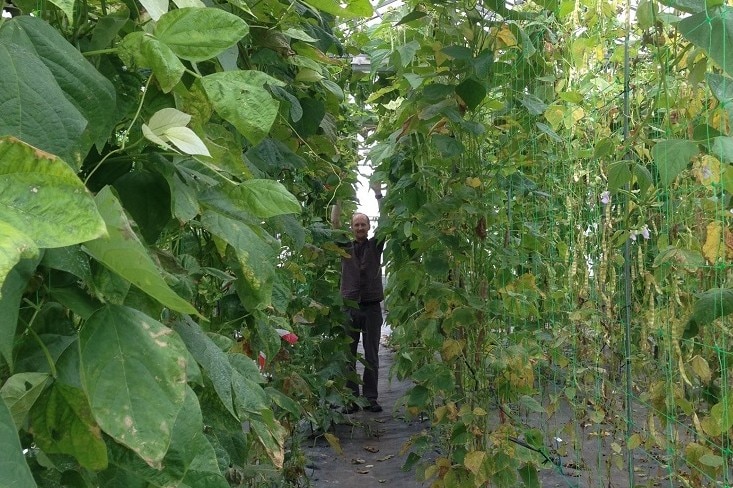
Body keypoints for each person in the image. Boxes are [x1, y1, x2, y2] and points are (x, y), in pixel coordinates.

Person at [331, 184, 385, 413]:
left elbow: (387, 222)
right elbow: (334, 225)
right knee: (348, 356)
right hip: (350, 307)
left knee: (372, 354)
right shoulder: (345, 246)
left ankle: (371, 398)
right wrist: (338, 196)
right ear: (351, 228)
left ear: (369, 227)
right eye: (356, 225)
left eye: (363, 224)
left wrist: (378, 194)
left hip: (372, 307)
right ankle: (352, 399)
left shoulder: (376, 245)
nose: (360, 228)